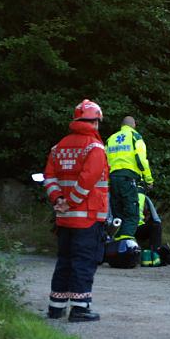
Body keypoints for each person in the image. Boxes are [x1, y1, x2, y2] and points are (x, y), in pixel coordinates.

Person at [43, 99, 109, 322]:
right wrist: (71, 201)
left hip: (64, 217)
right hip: (88, 217)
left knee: (64, 260)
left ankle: (56, 307)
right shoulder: (95, 148)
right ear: (96, 122)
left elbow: (49, 178)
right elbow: (87, 180)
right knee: (84, 261)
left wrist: (59, 199)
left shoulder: (58, 147)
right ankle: (80, 308)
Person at [106, 116, 154, 248]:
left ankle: (116, 241)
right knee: (132, 211)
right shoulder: (135, 137)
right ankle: (126, 243)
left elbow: (105, 160)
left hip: (113, 178)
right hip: (128, 177)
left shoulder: (111, 139)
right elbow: (142, 160)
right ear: (134, 125)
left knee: (117, 211)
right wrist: (148, 179)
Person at [135, 185, 170, 266]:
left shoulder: (145, 198)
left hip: (135, 228)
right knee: (156, 226)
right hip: (127, 229)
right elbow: (156, 219)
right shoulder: (119, 194)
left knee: (155, 225)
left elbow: (155, 218)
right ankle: (157, 255)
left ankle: (156, 255)